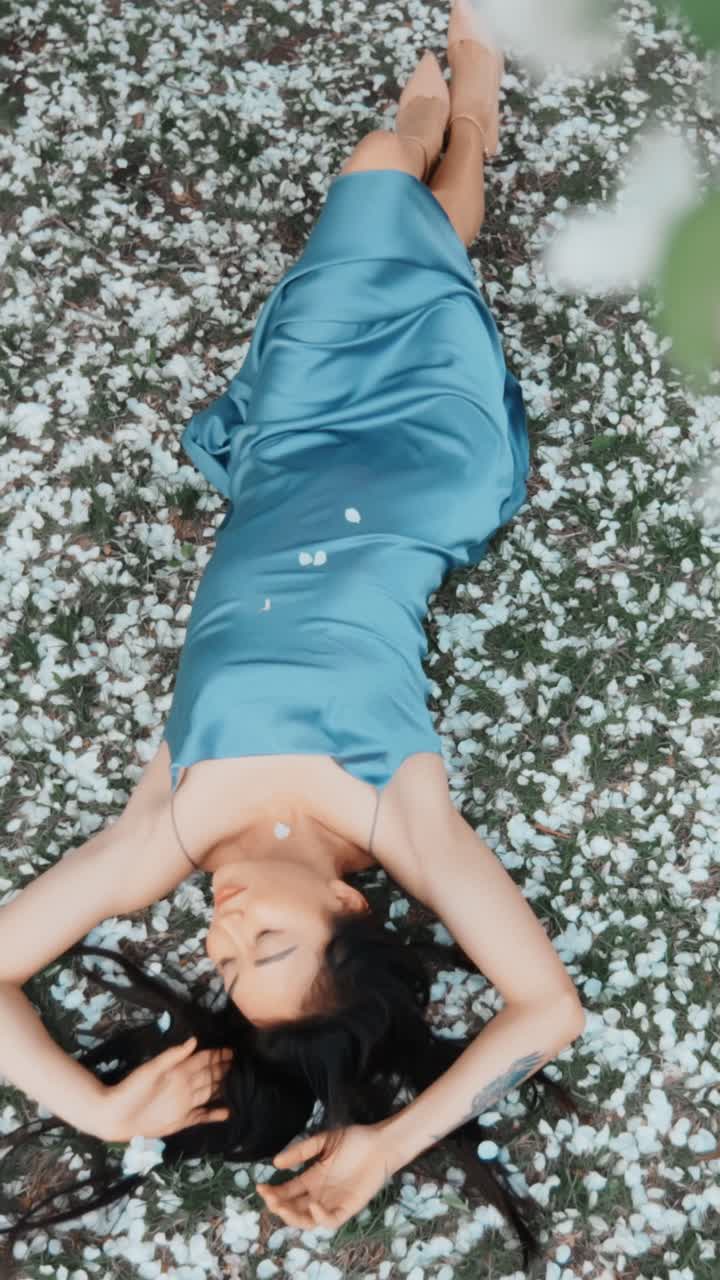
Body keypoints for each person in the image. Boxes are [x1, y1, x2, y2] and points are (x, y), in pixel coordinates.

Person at [0, 0, 589, 1265]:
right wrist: (389, 1141)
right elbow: (547, 1006)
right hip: (418, 462)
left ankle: (438, 131)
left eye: (223, 957)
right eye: (266, 940)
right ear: (342, 901)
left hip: (294, 450)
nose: (218, 929)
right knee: (394, 214)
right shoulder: (399, 817)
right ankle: (463, 121)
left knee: (378, 194)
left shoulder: (165, 832)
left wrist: (100, 1108)